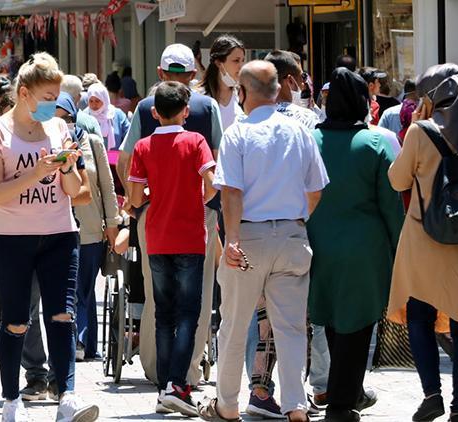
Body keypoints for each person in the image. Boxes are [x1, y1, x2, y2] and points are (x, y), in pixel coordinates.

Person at [198, 60, 329, 422]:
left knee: (235, 325)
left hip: (250, 237)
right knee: (290, 327)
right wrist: (297, 219)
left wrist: (233, 239)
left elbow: (231, 193)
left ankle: (227, 404)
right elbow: (316, 189)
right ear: (276, 91)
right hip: (292, 235)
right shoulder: (299, 131)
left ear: (242, 93)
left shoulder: (238, 133)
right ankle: (296, 405)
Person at [0, 52, 99, 422]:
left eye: (57, 98)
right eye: (48, 97)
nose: (54, 105)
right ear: (25, 93)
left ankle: (67, 397)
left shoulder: (59, 129)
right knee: (16, 321)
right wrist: (39, 170)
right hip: (11, 238)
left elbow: (75, 189)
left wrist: (67, 168)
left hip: (60, 233)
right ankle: (11, 400)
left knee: (63, 315)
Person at [117, 43, 224, 393]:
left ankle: (156, 371)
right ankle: (187, 373)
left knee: (157, 299)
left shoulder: (145, 109)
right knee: (198, 298)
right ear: (194, 78)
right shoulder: (205, 112)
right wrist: (206, 203)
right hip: (195, 220)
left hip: (155, 218)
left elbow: (126, 159)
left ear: (160, 75)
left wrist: (140, 204)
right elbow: (217, 170)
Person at [308, 68, 404, 422]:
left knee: (332, 322)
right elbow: (392, 205)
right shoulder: (375, 143)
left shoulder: (311, 139)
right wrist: (401, 250)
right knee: (358, 325)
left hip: (317, 243)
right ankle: (341, 403)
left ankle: (344, 393)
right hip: (365, 249)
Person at [388, 64, 458, 422]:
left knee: (419, 317)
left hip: (423, 238)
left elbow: (397, 180)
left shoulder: (420, 132)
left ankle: (431, 395)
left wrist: (413, 129)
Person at [60, 92, 121, 362]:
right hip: (57, 227)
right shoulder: (44, 144)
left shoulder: (92, 143)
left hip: (91, 227)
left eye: (67, 118)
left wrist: (113, 224)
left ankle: (83, 341)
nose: (62, 124)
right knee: (69, 290)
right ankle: (80, 341)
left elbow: (106, 187)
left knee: (84, 288)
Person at [197, 34, 246, 130]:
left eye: (242, 60)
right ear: (219, 63)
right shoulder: (200, 97)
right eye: (236, 61)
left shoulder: (243, 96)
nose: (241, 66)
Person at [268, 50, 320, 130]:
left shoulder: (252, 119)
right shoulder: (308, 118)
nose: (304, 83)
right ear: (290, 81)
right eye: (302, 77)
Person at [85, 83, 130, 151]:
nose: (94, 105)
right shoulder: (85, 116)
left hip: (114, 158)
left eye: (97, 101)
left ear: (104, 99)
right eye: (91, 101)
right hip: (92, 159)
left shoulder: (117, 114)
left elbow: (128, 135)